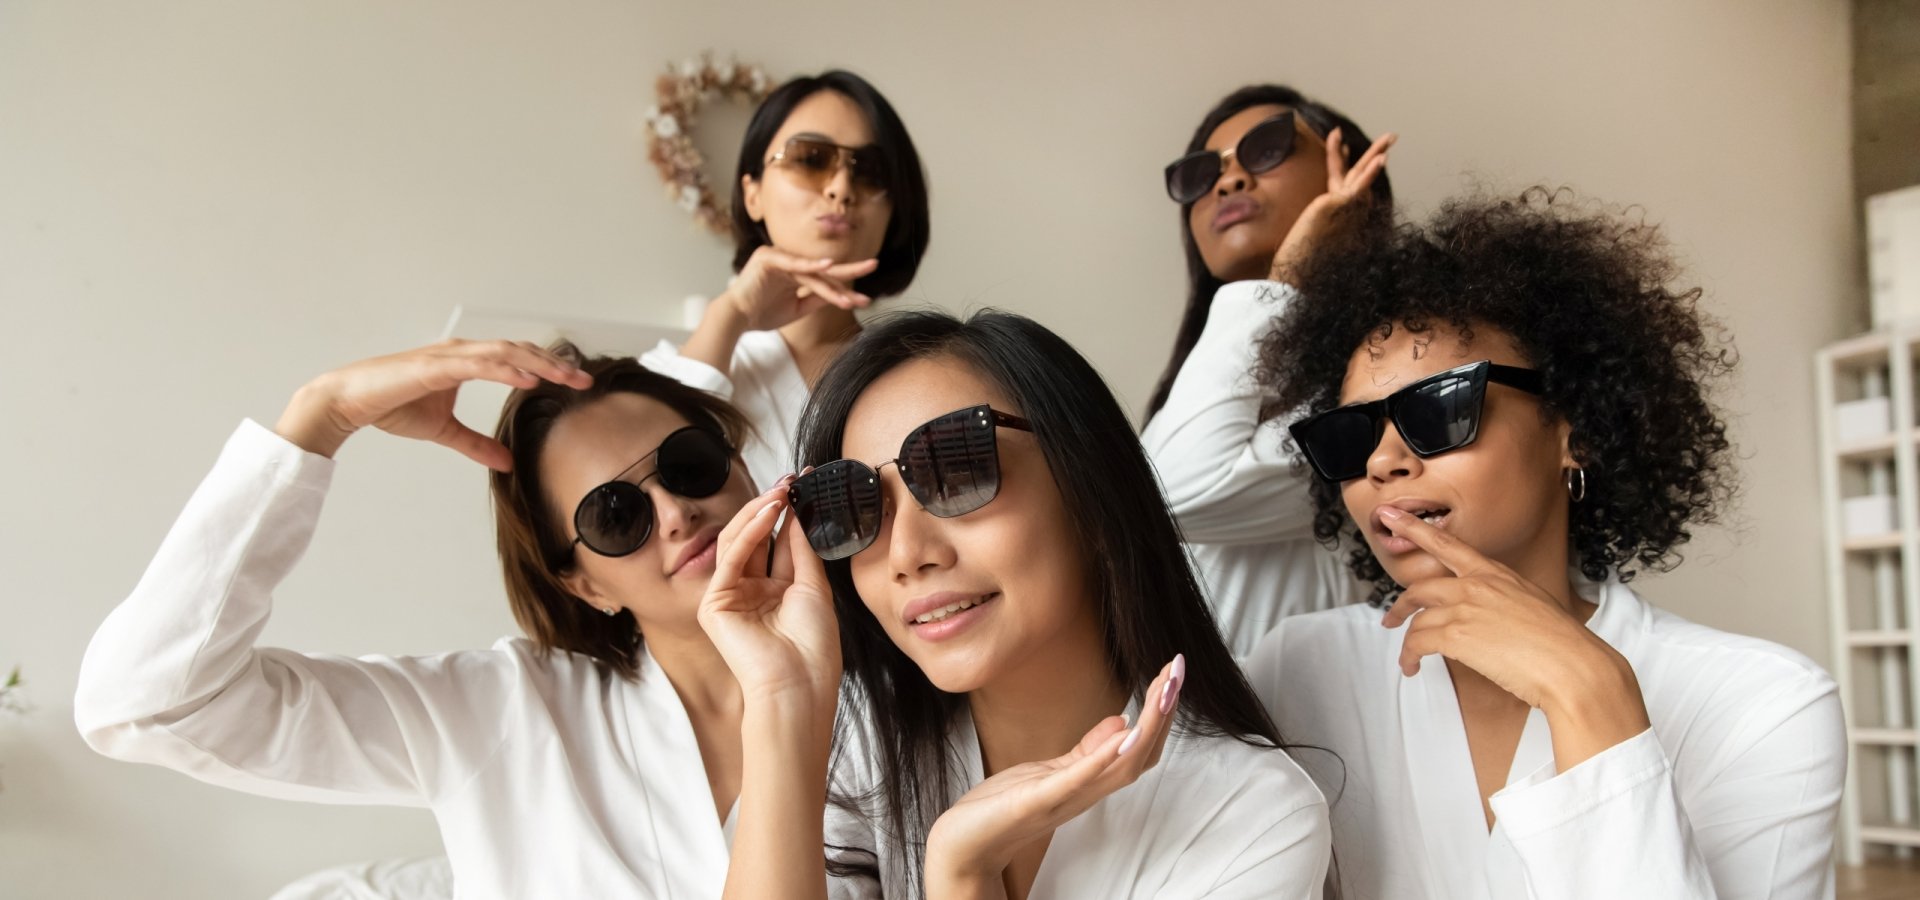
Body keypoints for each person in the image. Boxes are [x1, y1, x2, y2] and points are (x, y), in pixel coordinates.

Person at [1244, 188, 1846, 898]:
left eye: (1439, 410)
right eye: (1349, 434)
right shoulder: (1300, 669)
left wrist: (1590, 696)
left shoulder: (1761, 703)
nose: (1383, 462)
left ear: (1575, 431)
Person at [74, 339, 781, 898]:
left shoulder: (885, 680)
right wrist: (322, 417)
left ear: (744, 470)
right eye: (615, 516)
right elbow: (147, 703)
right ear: (584, 584)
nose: (677, 514)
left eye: (690, 465)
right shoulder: (509, 711)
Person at [698, 311, 1332, 898]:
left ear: (1089, 492)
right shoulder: (859, 746)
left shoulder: (1253, 813)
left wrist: (962, 871)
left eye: (959, 470)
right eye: (856, 505)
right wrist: (782, 701)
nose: (906, 553)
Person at [1139, 84, 1396, 653]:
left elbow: (1167, 495)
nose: (1227, 182)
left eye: (1267, 148)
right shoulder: (1201, 375)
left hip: (1311, 735)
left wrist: (1291, 274)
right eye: (1202, 174)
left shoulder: (1387, 381)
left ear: (1352, 179)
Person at [644, 69, 931, 489]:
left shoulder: (916, 373)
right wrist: (732, 313)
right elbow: (652, 473)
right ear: (752, 194)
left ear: (895, 210)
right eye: (811, 159)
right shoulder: (671, 369)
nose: (841, 186)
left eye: (870, 171)